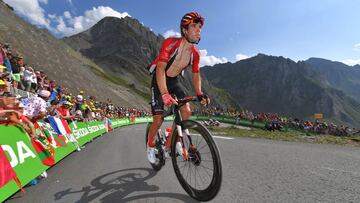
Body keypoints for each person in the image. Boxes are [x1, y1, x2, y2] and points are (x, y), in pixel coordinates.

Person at [146, 12, 210, 164]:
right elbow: (160, 69)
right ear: (185, 30)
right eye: (194, 26)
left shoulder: (195, 54)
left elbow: (195, 74)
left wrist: (199, 93)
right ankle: (150, 146)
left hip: (174, 80)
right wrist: (164, 94)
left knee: (186, 111)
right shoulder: (171, 43)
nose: (198, 29)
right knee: (158, 120)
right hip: (159, 80)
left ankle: (171, 144)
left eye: (200, 27)